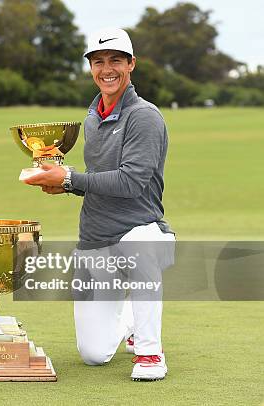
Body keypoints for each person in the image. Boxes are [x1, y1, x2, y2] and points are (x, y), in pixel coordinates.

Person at [24, 28, 174, 381]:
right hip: (95, 237)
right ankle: (133, 318)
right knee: (94, 354)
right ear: (91, 67)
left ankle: (150, 352)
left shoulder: (144, 116)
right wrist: (69, 186)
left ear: (131, 64)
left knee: (141, 246)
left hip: (140, 230)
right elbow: (99, 178)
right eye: (99, 61)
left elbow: (132, 181)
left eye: (116, 61)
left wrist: (69, 179)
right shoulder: (92, 116)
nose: (107, 69)